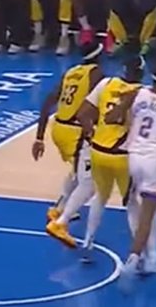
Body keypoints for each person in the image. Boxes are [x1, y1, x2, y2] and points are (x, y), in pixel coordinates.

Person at [60, 57, 144, 259]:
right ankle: (139, 255)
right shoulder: (142, 94)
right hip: (122, 155)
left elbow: (82, 114)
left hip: (98, 151)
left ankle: (87, 243)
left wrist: (91, 134)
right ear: (142, 73)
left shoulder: (106, 83)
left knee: (99, 197)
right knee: (131, 203)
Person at [105, 61, 156, 275]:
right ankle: (138, 257)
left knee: (137, 204)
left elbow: (110, 117)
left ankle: (149, 254)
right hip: (154, 162)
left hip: (133, 157)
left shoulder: (136, 94)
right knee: (150, 213)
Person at [35, 40, 104, 247]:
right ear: (99, 56)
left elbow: (48, 101)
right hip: (76, 131)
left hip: (59, 127)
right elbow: (93, 107)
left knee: (77, 170)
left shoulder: (71, 72)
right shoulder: (97, 74)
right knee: (90, 181)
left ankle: (59, 209)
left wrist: (39, 137)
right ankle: (60, 223)